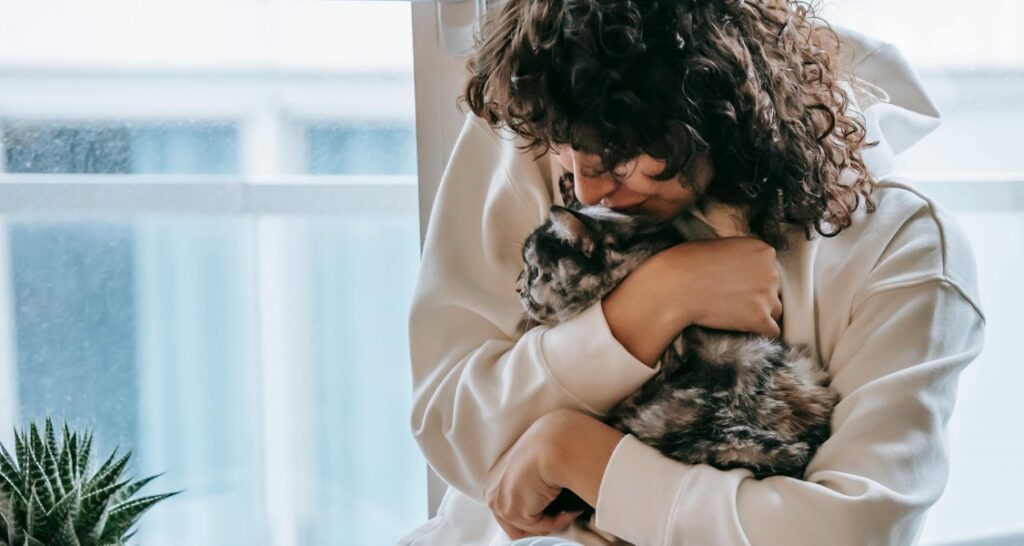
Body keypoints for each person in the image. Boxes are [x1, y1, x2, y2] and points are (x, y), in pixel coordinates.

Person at [399, 1, 986, 545]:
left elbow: (847, 532)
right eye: (563, 148)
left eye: (622, 157)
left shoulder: (903, 249)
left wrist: (580, 457)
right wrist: (654, 303)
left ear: (719, 113)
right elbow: (454, 431)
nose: (584, 187)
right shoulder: (548, 106)